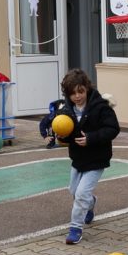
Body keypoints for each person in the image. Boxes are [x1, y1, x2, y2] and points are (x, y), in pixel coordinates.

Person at [53, 69, 119, 245]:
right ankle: (90, 203)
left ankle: (75, 228)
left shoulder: (100, 106)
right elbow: (65, 133)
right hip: (78, 158)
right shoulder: (66, 110)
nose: (77, 96)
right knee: (74, 192)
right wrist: (61, 136)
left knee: (81, 194)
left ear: (87, 88)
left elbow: (113, 129)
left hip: (97, 158)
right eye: (73, 93)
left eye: (80, 91)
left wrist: (91, 138)